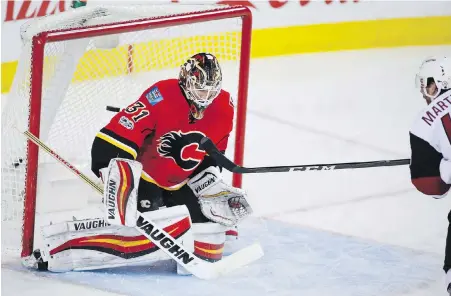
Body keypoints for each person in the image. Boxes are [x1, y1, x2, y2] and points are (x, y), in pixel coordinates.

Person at [25, 53, 252, 273]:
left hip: (182, 180)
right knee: (139, 222)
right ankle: (65, 249)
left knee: (208, 228)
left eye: (212, 90)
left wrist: (210, 184)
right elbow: (117, 134)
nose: (206, 96)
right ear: (186, 80)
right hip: (147, 177)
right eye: (201, 89)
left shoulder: (224, 106)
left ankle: (189, 225)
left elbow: (212, 154)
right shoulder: (161, 94)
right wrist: (113, 172)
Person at [409, 56, 451, 294]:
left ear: (439, 83)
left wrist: (445, 171)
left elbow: (430, 186)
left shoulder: (423, 124)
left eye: (427, 84)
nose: (424, 92)